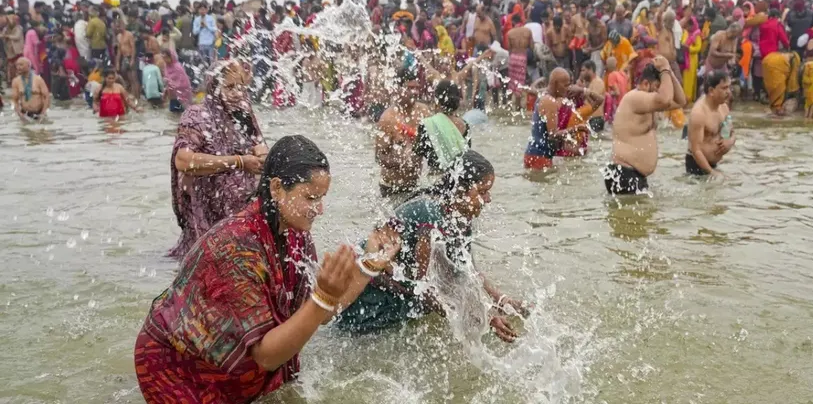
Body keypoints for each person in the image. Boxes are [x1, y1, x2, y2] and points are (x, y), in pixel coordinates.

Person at [135, 135, 402, 404]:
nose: (319, 209)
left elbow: (317, 315)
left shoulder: (296, 236)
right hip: (179, 369)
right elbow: (266, 354)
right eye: (310, 197)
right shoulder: (236, 245)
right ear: (276, 188)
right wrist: (324, 296)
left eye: (321, 198)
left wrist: (369, 265)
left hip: (233, 364)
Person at [337, 150, 526, 342]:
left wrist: (502, 301)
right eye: (482, 191)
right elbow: (425, 288)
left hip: (397, 292)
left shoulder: (461, 218)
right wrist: (485, 318)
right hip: (369, 298)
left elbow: (466, 271)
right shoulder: (430, 215)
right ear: (460, 191)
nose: (488, 199)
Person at [169, 60, 267, 258]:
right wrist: (239, 162)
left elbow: (260, 144)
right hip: (205, 215)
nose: (238, 93)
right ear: (214, 87)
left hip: (239, 214)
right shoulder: (197, 116)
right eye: (230, 87)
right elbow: (183, 160)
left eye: (240, 86)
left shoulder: (243, 112)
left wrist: (264, 159)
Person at [605, 56, 686, 195]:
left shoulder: (648, 102)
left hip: (632, 174)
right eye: (657, 87)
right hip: (624, 173)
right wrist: (665, 69)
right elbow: (665, 100)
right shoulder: (634, 98)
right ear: (646, 84)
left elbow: (680, 101)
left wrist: (669, 73)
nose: (659, 92)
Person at [523, 68, 598, 169]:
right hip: (539, 157)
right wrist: (576, 129)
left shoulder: (544, 96)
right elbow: (553, 135)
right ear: (555, 84)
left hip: (535, 154)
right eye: (565, 85)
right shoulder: (550, 102)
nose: (568, 88)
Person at [375, 67, 431, 202]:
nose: (415, 92)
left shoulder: (424, 111)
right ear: (398, 89)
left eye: (417, 87)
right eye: (410, 88)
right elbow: (379, 156)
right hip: (391, 188)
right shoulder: (388, 118)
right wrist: (402, 163)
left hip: (415, 185)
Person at [685, 71, 735, 177]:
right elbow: (696, 150)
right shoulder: (699, 113)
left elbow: (732, 132)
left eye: (729, 87)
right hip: (696, 166)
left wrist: (729, 142)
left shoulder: (724, 107)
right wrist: (712, 173)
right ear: (711, 91)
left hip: (714, 164)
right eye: (724, 88)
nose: (728, 92)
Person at [414, 80, 469, 172]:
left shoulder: (427, 124)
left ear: (437, 101)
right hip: (459, 181)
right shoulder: (465, 125)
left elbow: (417, 158)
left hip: (436, 181)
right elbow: (468, 156)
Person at [762, 51, 801, 116]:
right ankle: (778, 107)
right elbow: (793, 77)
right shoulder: (795, 58)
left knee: (772, 87)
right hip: (778, 63)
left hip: (767, 60)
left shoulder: (788, 55)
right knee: (779, 88)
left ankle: (774, 107)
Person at [10, 57, 50, 121]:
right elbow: (15, 100)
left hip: (39, 113)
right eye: (17, 65)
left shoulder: (38, 79)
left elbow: (46, 97)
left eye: (21, 65)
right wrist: (20, 114)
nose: (18, 67)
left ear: (28, 66)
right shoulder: (15, 81)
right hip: (24, 114)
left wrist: (43, 113)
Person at [506, 14, 533, 109]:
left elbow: (509, 48)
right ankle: (520, 106)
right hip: (522, 58)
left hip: (513, 58)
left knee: (512, 82)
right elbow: (531, 47)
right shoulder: (528, 31)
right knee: (520, 82)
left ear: (513, 22)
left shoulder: (510, 33)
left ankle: (511, 105)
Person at [579, 60, 607, 132]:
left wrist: (584, 90)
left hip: (596, 119)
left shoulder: (598, 82)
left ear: (590, 70)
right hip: (588, 118)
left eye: (583, 70)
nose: (581, 73)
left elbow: (594, 102)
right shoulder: (589, 83)